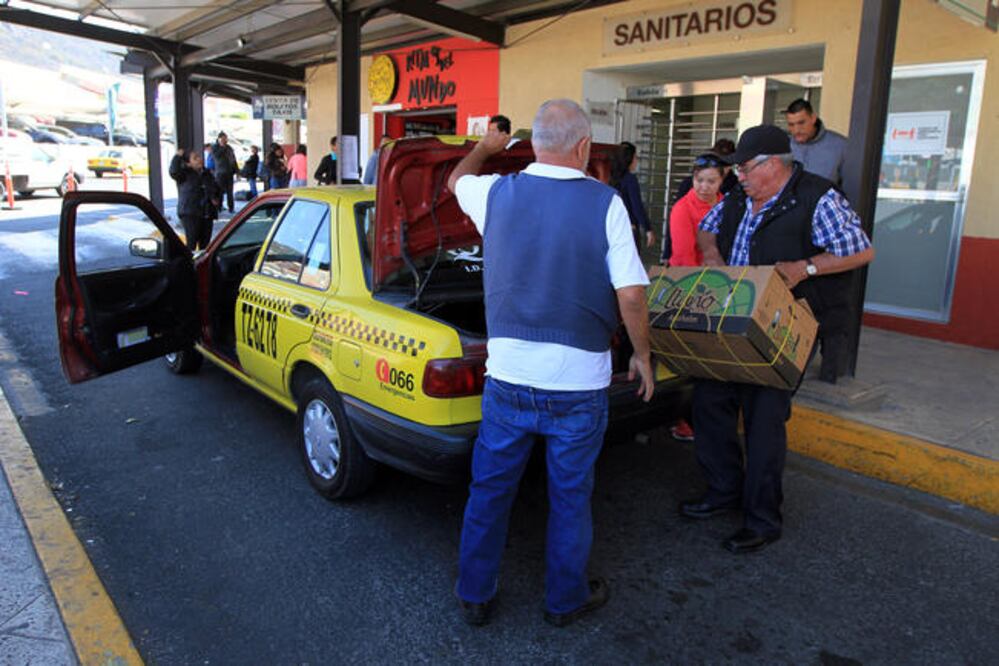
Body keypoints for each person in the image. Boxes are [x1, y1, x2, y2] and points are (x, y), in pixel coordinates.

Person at [447, 99, 655, 628]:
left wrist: (486, 148)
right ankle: (565, 601)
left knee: (490, 489)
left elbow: (454, 181)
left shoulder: (495, 191)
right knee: (570, 497)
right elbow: (631, 295)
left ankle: (475, 594)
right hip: (580, 385)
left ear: (533, 144)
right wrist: (643, 358)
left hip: (509, 379)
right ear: (583, 147)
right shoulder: (605, 203)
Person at [685, 125, 874, 554]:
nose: (739, 177)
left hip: (785, 326)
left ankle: (762, 519)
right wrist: (713, 258)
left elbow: (860, 249)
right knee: (710, 401)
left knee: (764, 419)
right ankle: (722, 490)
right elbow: (707, 230)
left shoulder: (818, 196)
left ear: (774, 164)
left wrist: (805, 268)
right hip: (734, 320)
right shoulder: (737, 198)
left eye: (746, 169)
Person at [664, 152, 726, 443]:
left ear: (721, 180)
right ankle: (684, 418)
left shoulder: (728, 205)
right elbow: (684, 258)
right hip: (692, 289)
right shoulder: (682, 209)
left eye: (711, 181)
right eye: (699, 180)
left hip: (723, 286)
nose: (704, 187)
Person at [785, 98, 848, 185]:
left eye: (801, 123)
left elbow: (850, 187)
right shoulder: (784, 146)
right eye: (791, 125)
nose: (796, 130)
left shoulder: (841, 146)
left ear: (813, 118)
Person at [169, 147, 220, 251]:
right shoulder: (184, 174)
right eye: (195, 158)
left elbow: (216, 188)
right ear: (188, 163)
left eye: (199, 157)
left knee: (205, 246)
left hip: (207, 213)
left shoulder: (207, 174)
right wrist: (177, 157)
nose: (199, 159)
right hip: (191, 213)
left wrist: (215, 198)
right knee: (191, 243)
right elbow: (174, 171)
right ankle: (190, 265)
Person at [610, 141, 655, 249]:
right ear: (629, 159)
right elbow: (637, 206)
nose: (636, 161)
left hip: (614, 229)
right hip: (630, 229)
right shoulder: (630, 179)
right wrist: (648, 229)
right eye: (635, 157)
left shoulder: (612, 178)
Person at [211, 131, 238, 214]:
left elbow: (233, 159)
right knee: (219, 191)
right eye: (222, 139)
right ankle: (219, 207)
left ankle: (231, 207)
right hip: (220, 172)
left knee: (230, 191)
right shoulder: (215, 147)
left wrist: (236, 170)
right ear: (218, 139)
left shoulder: (229, 148)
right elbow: (216, 156)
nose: (224, 140)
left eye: (225, 139)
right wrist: (222, 147)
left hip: (229, 172)